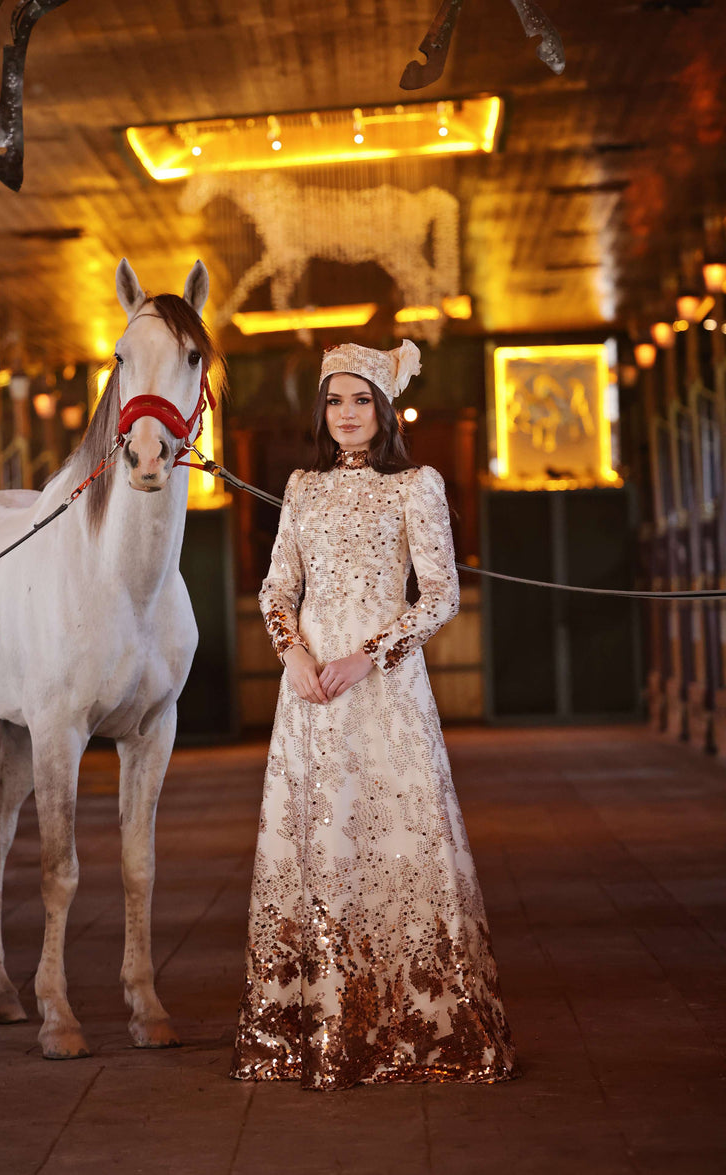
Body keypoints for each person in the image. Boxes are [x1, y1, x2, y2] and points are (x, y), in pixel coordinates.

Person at [230, 340, 516, 1091]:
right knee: (318, 842)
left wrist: (368, 655)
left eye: (361, 400)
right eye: (335, 400)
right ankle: (312, 1027)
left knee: (396, 843)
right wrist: (293, 653)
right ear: (321, 411)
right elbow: (276, 586)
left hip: (383, 692)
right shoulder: (301, 486)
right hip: (313, 698)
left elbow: (440, 595)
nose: (347, 413)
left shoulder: (417, 485)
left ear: (384, 409)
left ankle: (416, 1028)